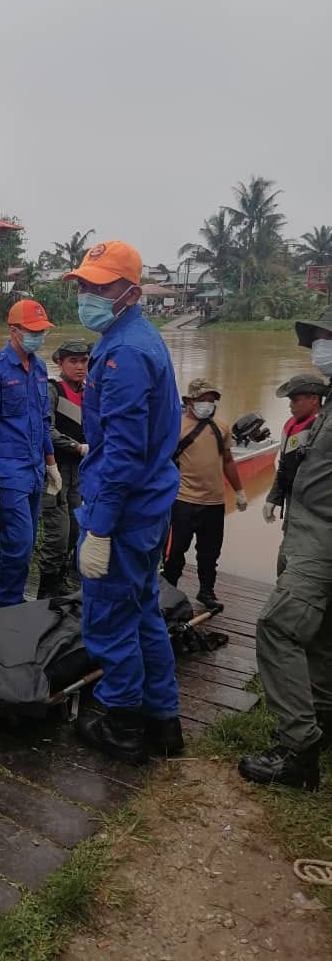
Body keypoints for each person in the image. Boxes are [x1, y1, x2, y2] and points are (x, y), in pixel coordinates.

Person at [64, 241, 183, 765]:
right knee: (143, 613)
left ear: (131, 292)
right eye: (85, 284)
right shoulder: (132, 338)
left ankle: (123, 724)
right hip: (148, 501)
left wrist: (102, 527)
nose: (87, 294)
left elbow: (125, 452)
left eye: (100, 286)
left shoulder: (125, 352)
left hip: (126, 507)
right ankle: (163, 720)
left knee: (110, 618)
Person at [239, 307, 332, 792]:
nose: (320, 348)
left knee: (277, 626)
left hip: (322, 542)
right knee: (318, 636)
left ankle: (299, 750)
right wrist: (276, 498)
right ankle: (320, 717)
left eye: (325, 338)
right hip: (306, 532)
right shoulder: (324, 408)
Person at [0, 299, 62, 608]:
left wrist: (51, 464)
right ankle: (6, 605)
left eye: (42, 331)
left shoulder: (38, 367)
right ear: (13, 330)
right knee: (18, 544)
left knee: (27, 541)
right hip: (9, 473)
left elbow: (43, 420)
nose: (39, 337)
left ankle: (14, 601)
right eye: (33, 331)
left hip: (35, 470)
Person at [162, 378, 247, 611]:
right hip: (183, 500)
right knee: (175, 551)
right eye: (202, 400)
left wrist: (239, 491)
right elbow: (162, 461)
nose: (207, 404)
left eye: (211, 400)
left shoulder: (221, 427)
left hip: (215, 501)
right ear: (189, 401)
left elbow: (228, 461)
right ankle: (168, 592)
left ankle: (206, 591)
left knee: (210, 552)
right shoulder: (175, 427)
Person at [37, 339, 90, 598]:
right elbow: (46, 429)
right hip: (54, 470)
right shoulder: (52, 390)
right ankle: (45, 590)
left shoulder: (89, 392)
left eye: (84, 361)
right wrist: (77, 447)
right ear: (60, 363)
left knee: (76, 529)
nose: (80, 367)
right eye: (74, 361)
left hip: (79, 472)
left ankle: (61, 578)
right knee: (58, 534)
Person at [262, 373, 327, 527]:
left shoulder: (324, 430)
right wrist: (273, 498)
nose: (291, 405)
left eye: (295, 400)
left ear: (314, 399)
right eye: (290, 400)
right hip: (293, 501)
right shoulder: (293, 425)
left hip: (315, 508)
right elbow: (284, 466)